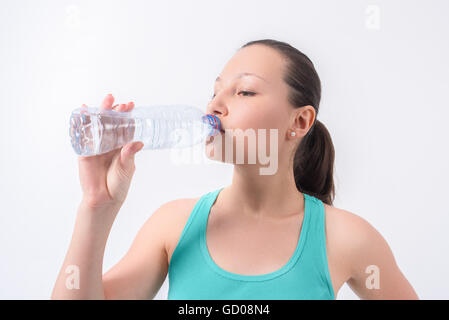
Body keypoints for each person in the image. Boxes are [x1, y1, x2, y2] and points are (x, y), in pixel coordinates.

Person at [51, 39, 418, 300]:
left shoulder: (347, 237)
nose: (214, 105)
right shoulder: (174, 225)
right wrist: (96, 207)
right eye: (215, 91)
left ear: (301, 121)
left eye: (244, 92)